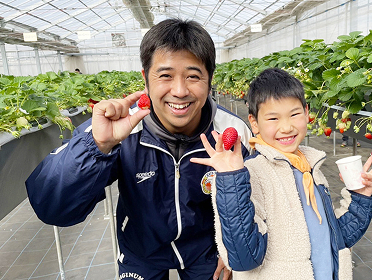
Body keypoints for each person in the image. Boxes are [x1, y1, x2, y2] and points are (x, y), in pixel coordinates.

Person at [26, 19, 253, 280]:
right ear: (145, 79)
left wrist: (233, 248)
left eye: (193, 76)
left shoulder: (232, 133)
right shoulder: (118, 130)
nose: (179, 91)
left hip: (209, 250)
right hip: (139, 249)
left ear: (209, 79)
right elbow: (52, 207)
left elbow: (257, 202)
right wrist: (98, 146)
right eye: (165, 75)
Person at [191, 68, 372, 279]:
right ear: (254, 123)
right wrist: (231, 182)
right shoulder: (249, 175)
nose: (286, 127)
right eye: (273, 119)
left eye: (294, 114)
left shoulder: (310, 167)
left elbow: (336, 238)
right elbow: (243, 258)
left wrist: (360, 196)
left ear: (306, 113)